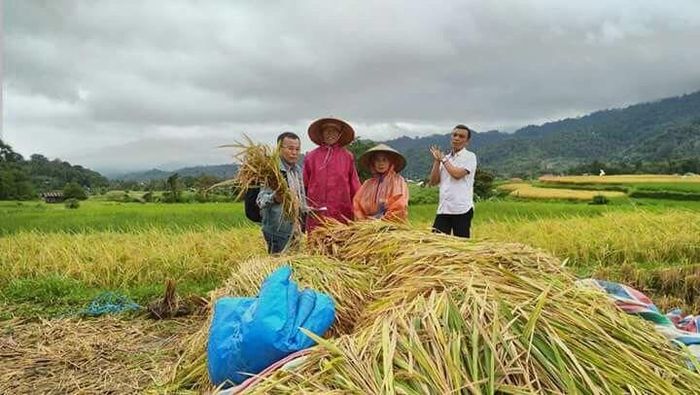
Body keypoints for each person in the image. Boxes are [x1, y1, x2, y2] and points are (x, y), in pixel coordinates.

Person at [303, 118, 361, 233]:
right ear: (322, 133)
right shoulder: (311, 157)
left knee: (340, 244)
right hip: (317, 211)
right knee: (317, 245)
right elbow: (304, 184)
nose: (331, 134)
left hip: (341, 211)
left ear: (339, 134)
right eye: (327, 131)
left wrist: (361, 207)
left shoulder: (347, 157)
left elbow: (355, 185)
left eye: (334, 131)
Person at [256, 132, 307, 254]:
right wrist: (274, 198)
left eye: (297, 149)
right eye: (290, 148)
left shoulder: (297, 170)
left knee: (292, 268)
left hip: (295, 230)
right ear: (279, 148)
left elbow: (301, 197)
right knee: (278, 268)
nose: (294, 153)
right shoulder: (271, 171)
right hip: (277, 232)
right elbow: (260, 200)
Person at [428, 124, 477, 238]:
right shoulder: (446, 158)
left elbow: (457, 174)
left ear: (467, 141)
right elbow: (434, 182)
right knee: (436, 243)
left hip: (461, 209)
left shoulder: (469, 156)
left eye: (461, 136)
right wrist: (436, 161)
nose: (457, 138)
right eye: (454, 135)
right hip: (444, 208)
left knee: (461, 246)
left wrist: (443, 159)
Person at [353, 144, 409, 222]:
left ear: (390, 162)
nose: (381, 163)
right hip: (368, 226)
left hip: (390, 226)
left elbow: (400, 205)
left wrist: (382, 221)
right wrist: (364, 222)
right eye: (377, 160)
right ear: (373, 163)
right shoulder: (367, 184)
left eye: (384, 160)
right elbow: (357, 205)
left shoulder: (397, 181)